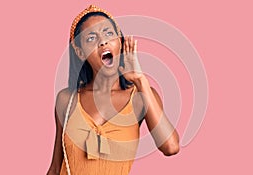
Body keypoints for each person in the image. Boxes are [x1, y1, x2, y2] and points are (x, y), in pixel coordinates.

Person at [47, 5, 180, 175]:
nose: (102, 41)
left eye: (109, 33)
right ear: (80, 53)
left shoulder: (140, 96)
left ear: (120, 42)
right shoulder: (67, 99)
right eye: (91, 38)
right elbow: (55, 168)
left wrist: (140, 80)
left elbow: (171, 147)